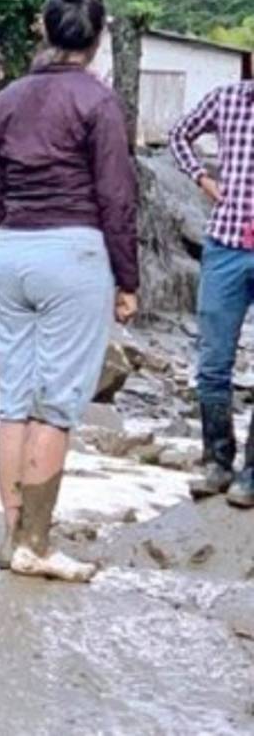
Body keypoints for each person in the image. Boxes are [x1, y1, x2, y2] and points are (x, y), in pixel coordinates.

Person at [0, 0, 139, 582]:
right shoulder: (97, 102)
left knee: (13, 403)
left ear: (43, 28)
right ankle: (37, 545)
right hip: (72, 252)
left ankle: (9, 535)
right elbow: (116, 198)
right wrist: (127, 279)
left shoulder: (0, 103)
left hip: (10, 252)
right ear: (97, 40)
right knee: (56, 408)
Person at [168, 73, 254, 508]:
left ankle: (253, 474)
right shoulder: (227, 100)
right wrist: (204, 179)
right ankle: (217, 461)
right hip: (226, 246)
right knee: (214, 362)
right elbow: (179, 134)